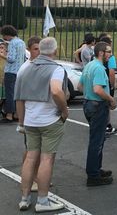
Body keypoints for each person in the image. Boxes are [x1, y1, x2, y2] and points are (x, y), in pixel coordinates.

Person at [14, 37, 68, 212]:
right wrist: (64, 110)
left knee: (30, 158)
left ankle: (24, 198)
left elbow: (19, 98)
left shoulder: (26, 67)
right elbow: (56, 90)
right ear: (55, 51)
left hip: (30, 120)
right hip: (50, 119)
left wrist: (21, 122)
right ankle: (43, 201)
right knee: (46, 159)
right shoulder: (56, 69)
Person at [80, 42, 116, 186]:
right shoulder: (100, 68)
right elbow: (98, 89)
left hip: (88, 104)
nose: (110, 54)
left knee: (98, 139)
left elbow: (80, 85)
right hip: (97, 106)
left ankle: (96, 168)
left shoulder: (89, 65)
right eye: (108, 52)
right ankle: (93, 175)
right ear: (101, 53)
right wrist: (111, 99)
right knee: (97, 141)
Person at [1, 25, 26, 123]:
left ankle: (9, 115)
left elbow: (11, 59)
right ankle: (17, 114)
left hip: (10, 71)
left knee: (9, 94)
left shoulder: (12, 43)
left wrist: (2, 55)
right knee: (17, 93)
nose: (4, 37)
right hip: (19, 71)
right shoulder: (21, 42)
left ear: (7, 34)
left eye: (4, 35)